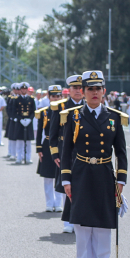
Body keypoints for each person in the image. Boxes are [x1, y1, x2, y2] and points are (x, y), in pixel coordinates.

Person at [60, 70, 127, 258]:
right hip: (81, 175)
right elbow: (66, 149)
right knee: (81, 228)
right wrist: (66, 179)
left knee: (102, 229)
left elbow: (121, 152)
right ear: (84, 92)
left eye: (98, 89)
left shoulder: (114, 117)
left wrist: (121, 181)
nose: (94, 93)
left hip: (104, 175)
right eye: (90, 89)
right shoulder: (73, 116)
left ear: (104, 91)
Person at [49, 75, 83, 234]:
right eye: (75, 88)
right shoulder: (60, 106)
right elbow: (53, 132)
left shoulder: (89, 105)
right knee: (67, 185)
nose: (78, 90)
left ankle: (81, 218)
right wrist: (55, 153)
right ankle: (68, 220)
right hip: (65, 152)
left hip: (84, 151)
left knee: (83, 185)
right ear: (69, 90)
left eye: (80, 87)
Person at [35, 85, 63, 212]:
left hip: (60, 144)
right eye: (53, 96)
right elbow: (39, 130)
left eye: (58, 96)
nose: (56, 99)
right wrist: (39, 149)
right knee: (48, 177)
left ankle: (58, 203)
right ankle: (49, 203)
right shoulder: (44, 112)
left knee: (60, 176)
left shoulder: (64, 111)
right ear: (49, 96)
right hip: (47, 144)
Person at [13, 82, 36, 164]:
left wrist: (30, 119)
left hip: (28, 122)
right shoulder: (16, 100)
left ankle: (28, 157)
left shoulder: (31, 99)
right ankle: (19, 157)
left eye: (25, 89)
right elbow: (14, 111)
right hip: (20, 122)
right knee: (19, 141)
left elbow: (33, 111)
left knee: (28, 141)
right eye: (22, 89)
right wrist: (20, 119)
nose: (24, 90)